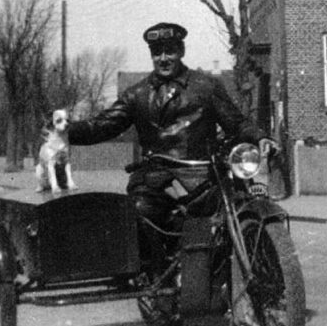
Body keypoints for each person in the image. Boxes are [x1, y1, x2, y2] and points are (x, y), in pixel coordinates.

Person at [66, 22, 275, 268]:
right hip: (155, 179)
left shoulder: (205, 87)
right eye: (157, 52)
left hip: (203, 178)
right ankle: (155, 277)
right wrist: (65, 131)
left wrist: (260, 137)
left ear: (181, 51)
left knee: (235, 209)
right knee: (140, 211)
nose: (163, 58)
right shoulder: (137, 94)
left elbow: (236, 122)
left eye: (170, 51)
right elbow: (103, 125)